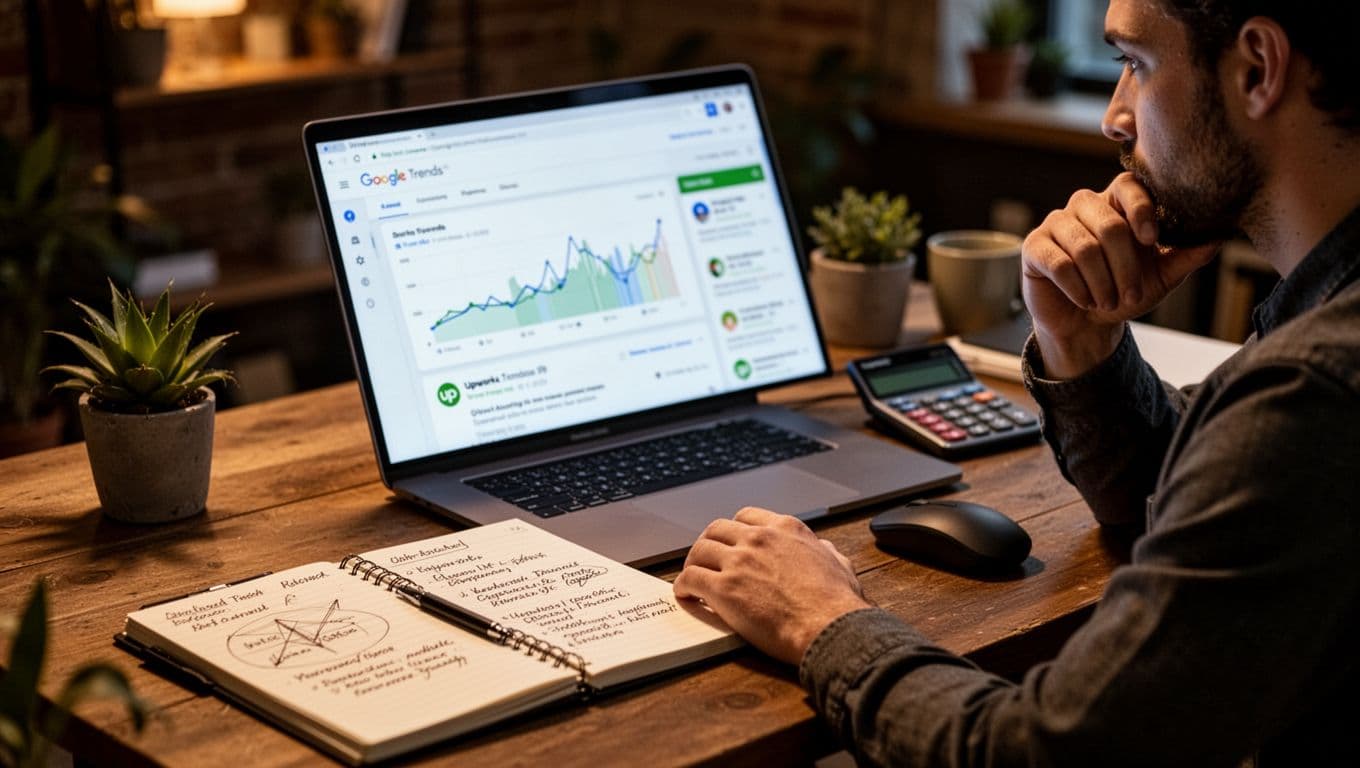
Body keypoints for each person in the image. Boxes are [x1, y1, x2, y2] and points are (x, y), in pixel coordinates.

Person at [673, 0, 1360, 765]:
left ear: (1258, 69)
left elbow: (1032, 752)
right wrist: (1083, 344)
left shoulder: (1314, 389)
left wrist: (822, 618)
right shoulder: (1321, 320)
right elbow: (1195, 499)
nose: (1114, 117)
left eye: (1136, 64)